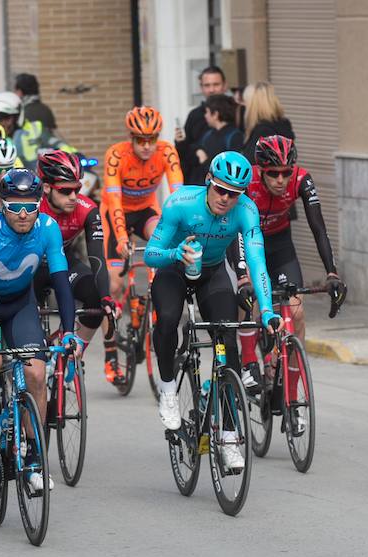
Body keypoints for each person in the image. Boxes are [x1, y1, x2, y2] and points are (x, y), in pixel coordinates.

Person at [146, 151, 282, 471]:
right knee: (168, 320)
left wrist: (266, 309)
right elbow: (151, 254)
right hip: (174, 268)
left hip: (212, 273)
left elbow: (257, 260)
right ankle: (168, 391)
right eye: (221, 189)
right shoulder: (180, 203)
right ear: (209, 181)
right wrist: (176, 253)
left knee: (228, 345)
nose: (225, 198)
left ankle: (231, 437)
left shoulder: (246, 210)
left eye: (234, 194)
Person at [0, 168, 81, 492]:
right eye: (15, 206)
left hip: (20, 305)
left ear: (40, 204)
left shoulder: (48, 228)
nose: (23, 214)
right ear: (2, 205)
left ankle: (33, 460)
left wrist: (69, 331)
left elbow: (61, 283)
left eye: (30, 206)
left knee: (37, 374)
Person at [236, 136, 346, 395]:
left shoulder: (302, 179)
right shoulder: (247, 182)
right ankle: (249, 360)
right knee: (250, 296)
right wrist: (242, 276)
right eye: (273, 173)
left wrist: (332, 273)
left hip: (280, 244)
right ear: (261, 170)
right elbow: (237, 232)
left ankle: (293, 396)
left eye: (286, 173)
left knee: (296, 314)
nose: (281, 180)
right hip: (249, 241)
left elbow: (319, 229)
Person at [101, 106, 183, 383]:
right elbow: (114, 201)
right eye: (140, 140)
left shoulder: (167, 151)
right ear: (131, 138)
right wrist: (122, 238)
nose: (147, 146)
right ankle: (111, 355)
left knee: (165, 240)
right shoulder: (116, 155)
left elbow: (178, 195)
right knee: (114, 285)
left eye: (152, 139)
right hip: (116, 214)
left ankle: (152, 304)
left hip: (146, 210)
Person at [32, 150, 115, 351]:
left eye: (77, 189)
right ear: (46, 187)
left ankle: (75, 353)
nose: (73, 197)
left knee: (95, 295)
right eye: (65, 191)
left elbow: (97, 257)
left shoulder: (87, 209)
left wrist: (105, 297)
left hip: (64, 263)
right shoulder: (31, 207)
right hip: (32, 268)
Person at [174, 65, 226, 183]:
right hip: (198, 183)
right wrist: (180, 142)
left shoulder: (236, 113)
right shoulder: (195, 115)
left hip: (229, 183)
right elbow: (184, 154)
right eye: (207, 85)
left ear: (224, 85)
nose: (211, 90)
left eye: (216, 84)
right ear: (201, 88)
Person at [183, 93, 244, 185]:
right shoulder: (208, 134)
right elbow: (194, 152)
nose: (205, 115)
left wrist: (205, 161)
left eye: (207, 112)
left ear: (215, 114)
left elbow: (231, 168)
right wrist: (184, 144)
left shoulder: (234, 136)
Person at [241, 81, 295, 162]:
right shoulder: (283, 125)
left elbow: (252, 162)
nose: (244, 105)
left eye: (246, 102)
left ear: (252, 106)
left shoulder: (263, 131)